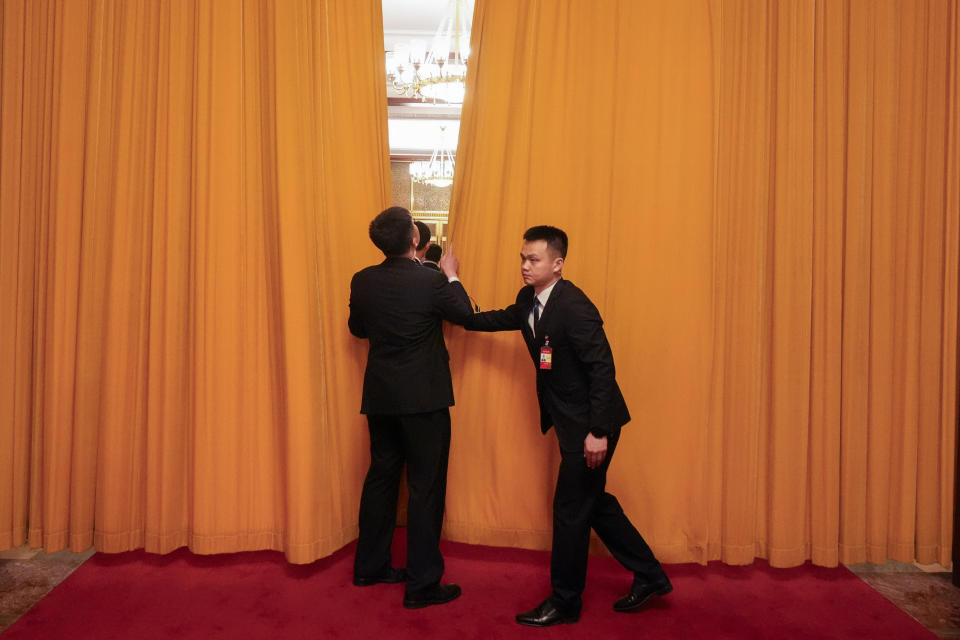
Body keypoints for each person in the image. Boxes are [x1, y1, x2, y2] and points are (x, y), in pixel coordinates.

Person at [460, 225, 671, 626]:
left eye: (534, 259)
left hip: (591, 426)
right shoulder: (529, 300)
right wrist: (451, 288)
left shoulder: (575, 306)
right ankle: (651, 576)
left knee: (571, 510)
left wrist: (598, 432)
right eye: (522, 257)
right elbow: (495, 319)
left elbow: (602, 370)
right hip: (570, 422)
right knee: (594, 505)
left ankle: (565, 602)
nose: (524, 265)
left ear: (557, 264)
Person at [348, 206, 473, 609]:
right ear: (415, 239)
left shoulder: (363, 280)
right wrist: (451, 273)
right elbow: (465, 314)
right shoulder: (432, 281)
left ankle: (370, 567)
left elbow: (358, 328)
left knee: (382, 479)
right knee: (425, 489)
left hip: (382, 397)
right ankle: (422, 585)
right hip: (424, 401)